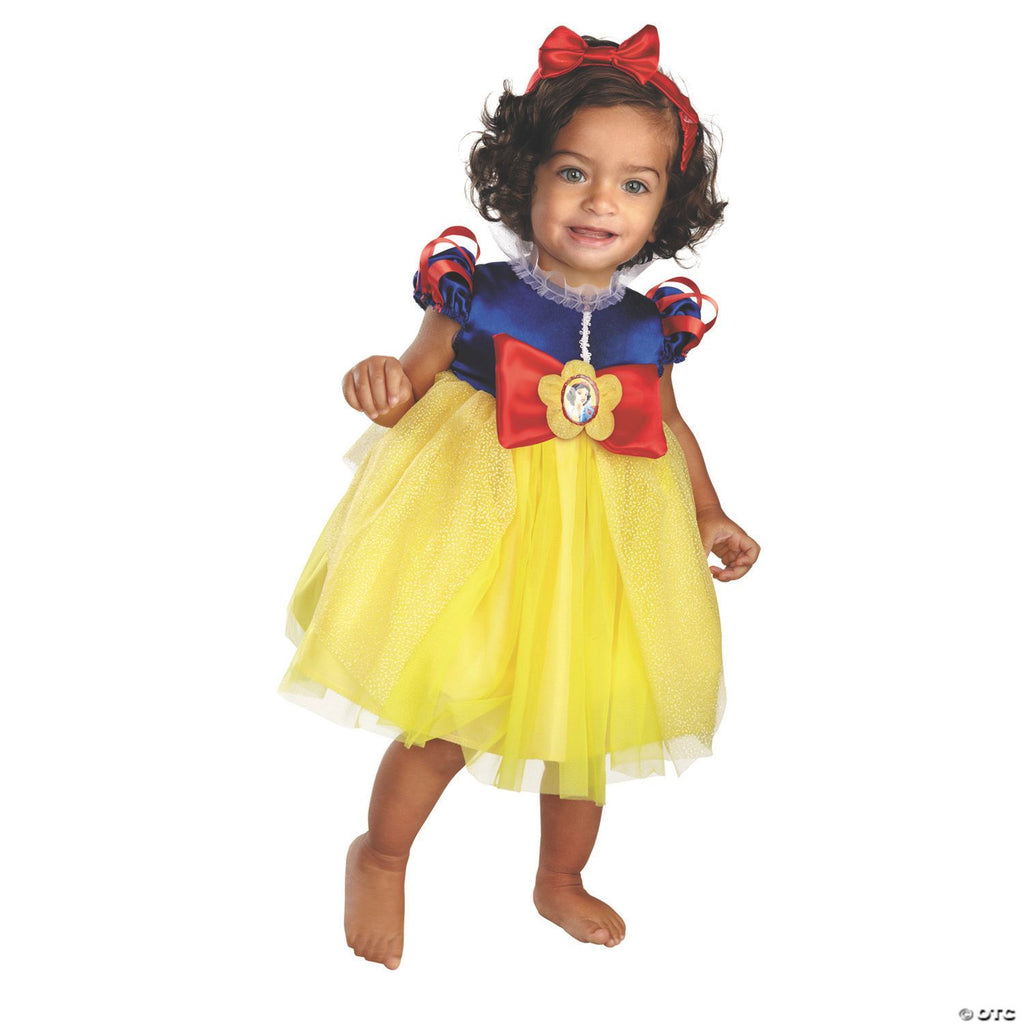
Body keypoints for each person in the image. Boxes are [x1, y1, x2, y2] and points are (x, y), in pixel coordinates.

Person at [278, 23, 761, 970]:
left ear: (666, 206)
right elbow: (412, 382)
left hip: (604, 548)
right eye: (574, 172)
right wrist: (381, 380)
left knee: (588, 719)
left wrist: (708, 511)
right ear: (525, 174)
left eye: (635, 184)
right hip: (483, 535)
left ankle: (560, 878)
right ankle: (382, 854)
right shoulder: (480, 294)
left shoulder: (648, 325)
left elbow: (667, 425)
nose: (601, 200)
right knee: (450, 709)